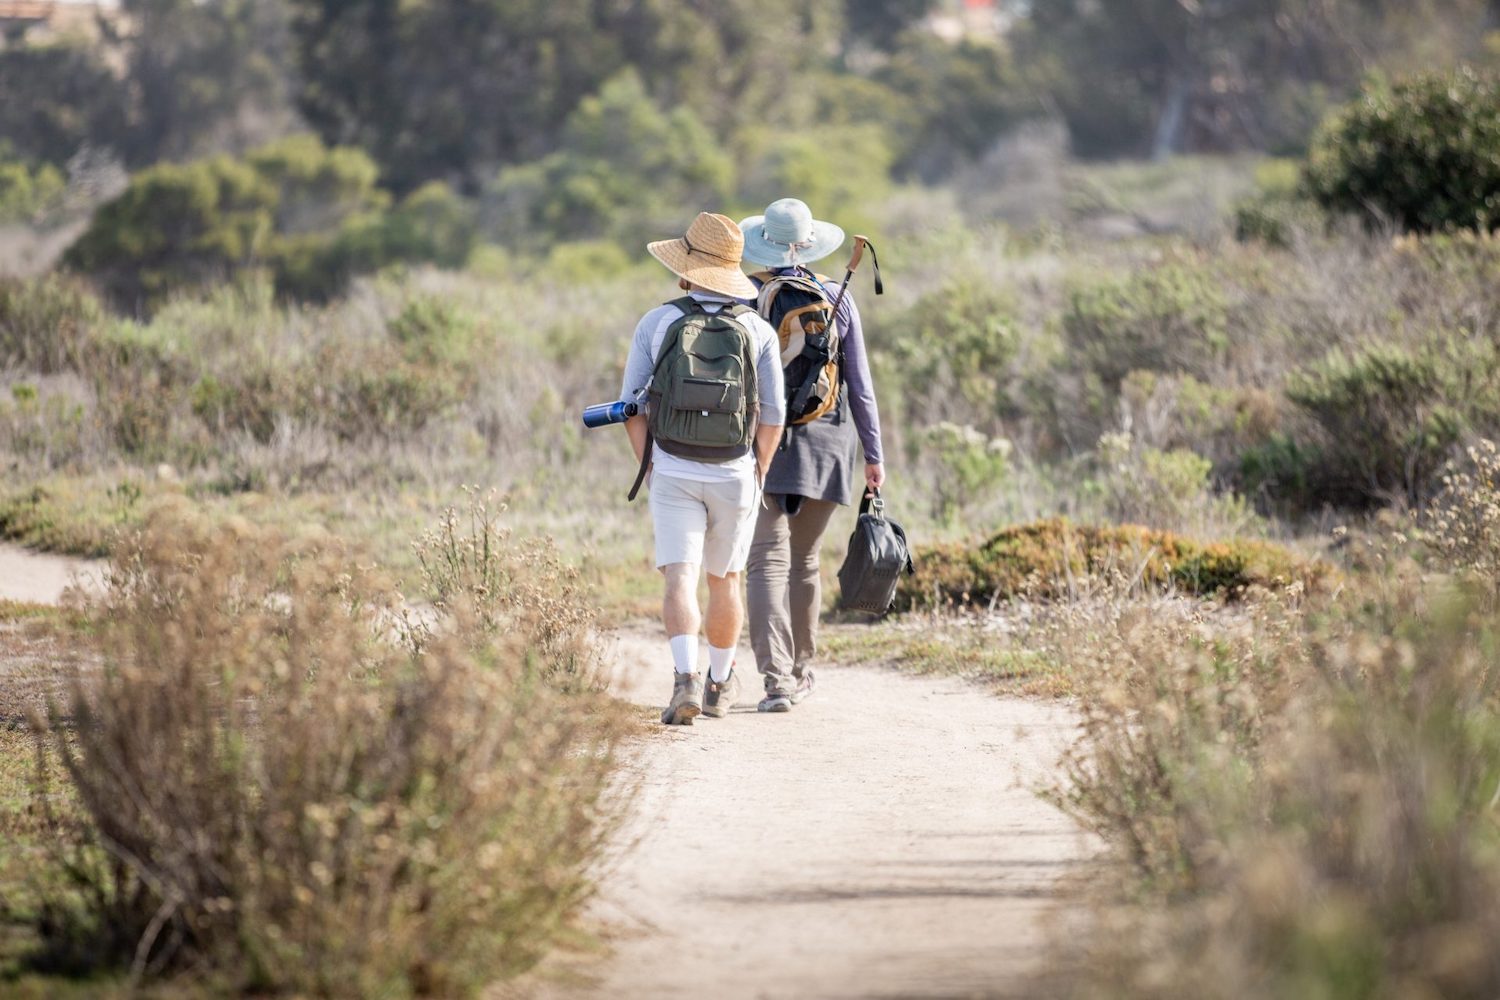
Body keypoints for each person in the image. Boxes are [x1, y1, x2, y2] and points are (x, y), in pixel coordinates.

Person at [620, 212, 785, 725]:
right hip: (735, 471)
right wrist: (756, 469)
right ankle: (718, 685)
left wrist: (651, 464)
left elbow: (631, 407)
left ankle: (684, 680)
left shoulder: (658, 322)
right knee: (726, 580)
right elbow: (774, 415)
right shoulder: (757, 329)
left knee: (679, 577)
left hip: (673, 466)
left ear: (685, 268)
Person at [740, 198, 885, 712]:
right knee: (804, 563)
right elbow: (861, 387)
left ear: (761, 243)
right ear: (808, 244)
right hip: (828, 443)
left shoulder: (746, 297)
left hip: (762, 442)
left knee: (764, 563)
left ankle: (775, 680)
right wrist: (874, 455)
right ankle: (802, 672)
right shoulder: (836, 297)